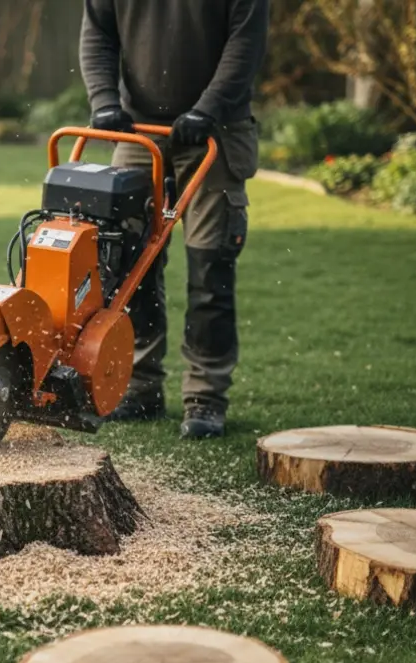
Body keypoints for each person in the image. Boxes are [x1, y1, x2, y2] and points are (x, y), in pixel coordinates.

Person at [79, 0, 268, 439]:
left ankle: (205, 396)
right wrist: (105, 100)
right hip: (139, 131)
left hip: (216, 132)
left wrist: (208, 109)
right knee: (127, 265)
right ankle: (139, 385)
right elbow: (98, 35)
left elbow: (245, 45)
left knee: (210, 267)